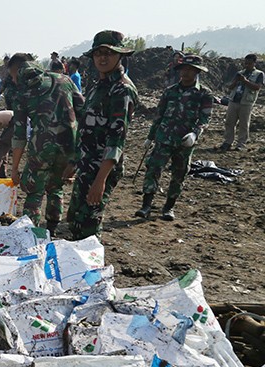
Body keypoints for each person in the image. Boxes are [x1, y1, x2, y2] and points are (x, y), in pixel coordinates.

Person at [66, 30, 139, 240]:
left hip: (102, 167)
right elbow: (85, 129)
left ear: (120, 55)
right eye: (98, 53)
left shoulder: (121, 90)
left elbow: (117, 139)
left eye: (108, 53)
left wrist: (100, 181)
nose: (103, 58)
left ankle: (92, 267)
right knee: (75, 219)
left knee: (89, 225)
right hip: (87, 164)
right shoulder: (98, 86)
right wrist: (73, 161)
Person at [8, 57, 84, 233]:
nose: (12, 80)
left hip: (41, 148)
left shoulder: (22, 94)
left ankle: (31, 233)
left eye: (13, 76)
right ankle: (52, 228)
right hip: (69, 146)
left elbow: (19, 136)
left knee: (34, 192)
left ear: (18, 72)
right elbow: (83, 113)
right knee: (56, 187)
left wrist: (14, 169)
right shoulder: (65, 80)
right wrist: (78, 154)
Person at [136, 55, 213, 221]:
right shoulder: (170, 91)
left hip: (185, 142)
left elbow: (205, 119)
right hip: (163, 138)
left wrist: (195, 133)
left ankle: (169, 207)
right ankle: (146, 205)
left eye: (190, 69)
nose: (186, 72)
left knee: (179, 174)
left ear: (197, 72)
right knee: (153, 170)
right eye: (184, 68)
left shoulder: (204, 94)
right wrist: (150, 137)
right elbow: (159, 115)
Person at [220, 53, 263, 151]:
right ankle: (228, 142)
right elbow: (230, 87)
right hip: (234, 100)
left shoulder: (259, 74)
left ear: (254, 63)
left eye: (249, 63)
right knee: (229, 122)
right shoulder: (240, 73)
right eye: (245, 63)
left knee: (244, 124)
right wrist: (236, 81)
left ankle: (241, 144)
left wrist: (245, 81)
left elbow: (257, 87)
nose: (246, 65)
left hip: (246, 102)